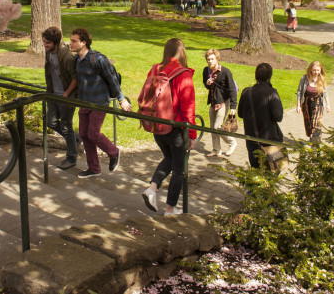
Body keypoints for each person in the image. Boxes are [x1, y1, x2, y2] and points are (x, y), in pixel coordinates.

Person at [141, 38, 196, 216]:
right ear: (182, 52)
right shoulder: (183, 74)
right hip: (176, 128)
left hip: (156, 124)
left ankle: (152, 189)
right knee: (179, 168)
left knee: (169, 160)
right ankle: (170, 208)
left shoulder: (155, 69)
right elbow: (188, 108)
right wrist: (192, 135)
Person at [69, 28, 132, 178]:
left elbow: (112, 79)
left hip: (99, 102)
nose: (70, 43)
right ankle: (94, 168)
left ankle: (113, 152)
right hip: (85, 102)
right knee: (84, 134)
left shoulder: (97, 59)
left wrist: (121, 99)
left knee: (93, 134)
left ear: (83, 43)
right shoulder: (77, 60)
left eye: (73, 41)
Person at [42, 26, 79, 170]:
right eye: (44, 42)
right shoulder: (48, 53)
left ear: (55, 43)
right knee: (51, 123)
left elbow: (75, 79)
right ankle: (76, 138)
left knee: (65, 126)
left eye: (48, 43)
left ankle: (71, 158)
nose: (45, 45)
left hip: (66, 96)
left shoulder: (67, 57)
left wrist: (66, 94)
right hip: (52, 94)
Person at [237, 63, 284, 168]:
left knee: (255, 169)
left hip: (251, 138)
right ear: (269, 76)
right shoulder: (272, 93)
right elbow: (278, 116)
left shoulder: (246, 92)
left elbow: (240, 113)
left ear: (256, 75)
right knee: (273, 169)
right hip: (269, 139)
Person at [202, 49, 237, 157]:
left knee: (218, 126)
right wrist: (207, 83)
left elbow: (232, 89)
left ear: (217, 59)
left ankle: (232, 142)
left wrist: (233, 106)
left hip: (223, 102)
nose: (210, 61)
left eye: (212, 59)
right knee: (212, 127)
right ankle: (216, 150)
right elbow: (206, 85)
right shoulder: (206, 71)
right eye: (208, 59)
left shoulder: (225, 72)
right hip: (213, 101)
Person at [296, 61, 330, 142]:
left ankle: (314, 143)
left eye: (318, 70)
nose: (316, 72)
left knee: (315, 123)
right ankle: (315, 139)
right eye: (314, 70)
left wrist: (328, 105)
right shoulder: (304, 78)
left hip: (318, 103)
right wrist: (298, 106)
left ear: (320, 70)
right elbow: (299, 92)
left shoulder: (322, 79)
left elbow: (325, 93)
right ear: (310, 69)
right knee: (308, 124)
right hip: (306, 103)